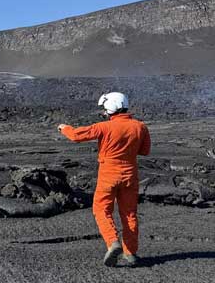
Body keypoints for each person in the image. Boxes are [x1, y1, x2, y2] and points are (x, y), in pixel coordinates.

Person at [57, 92, 150, 267]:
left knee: (101, 210)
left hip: (108, 174)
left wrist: (64, 128)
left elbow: (76, 136)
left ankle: (112, 242)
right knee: (129, 214)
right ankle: (130, 253)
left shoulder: (104, 127)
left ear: (111, 108)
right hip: (130, 174)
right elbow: (144, 151)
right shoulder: (140, 127)